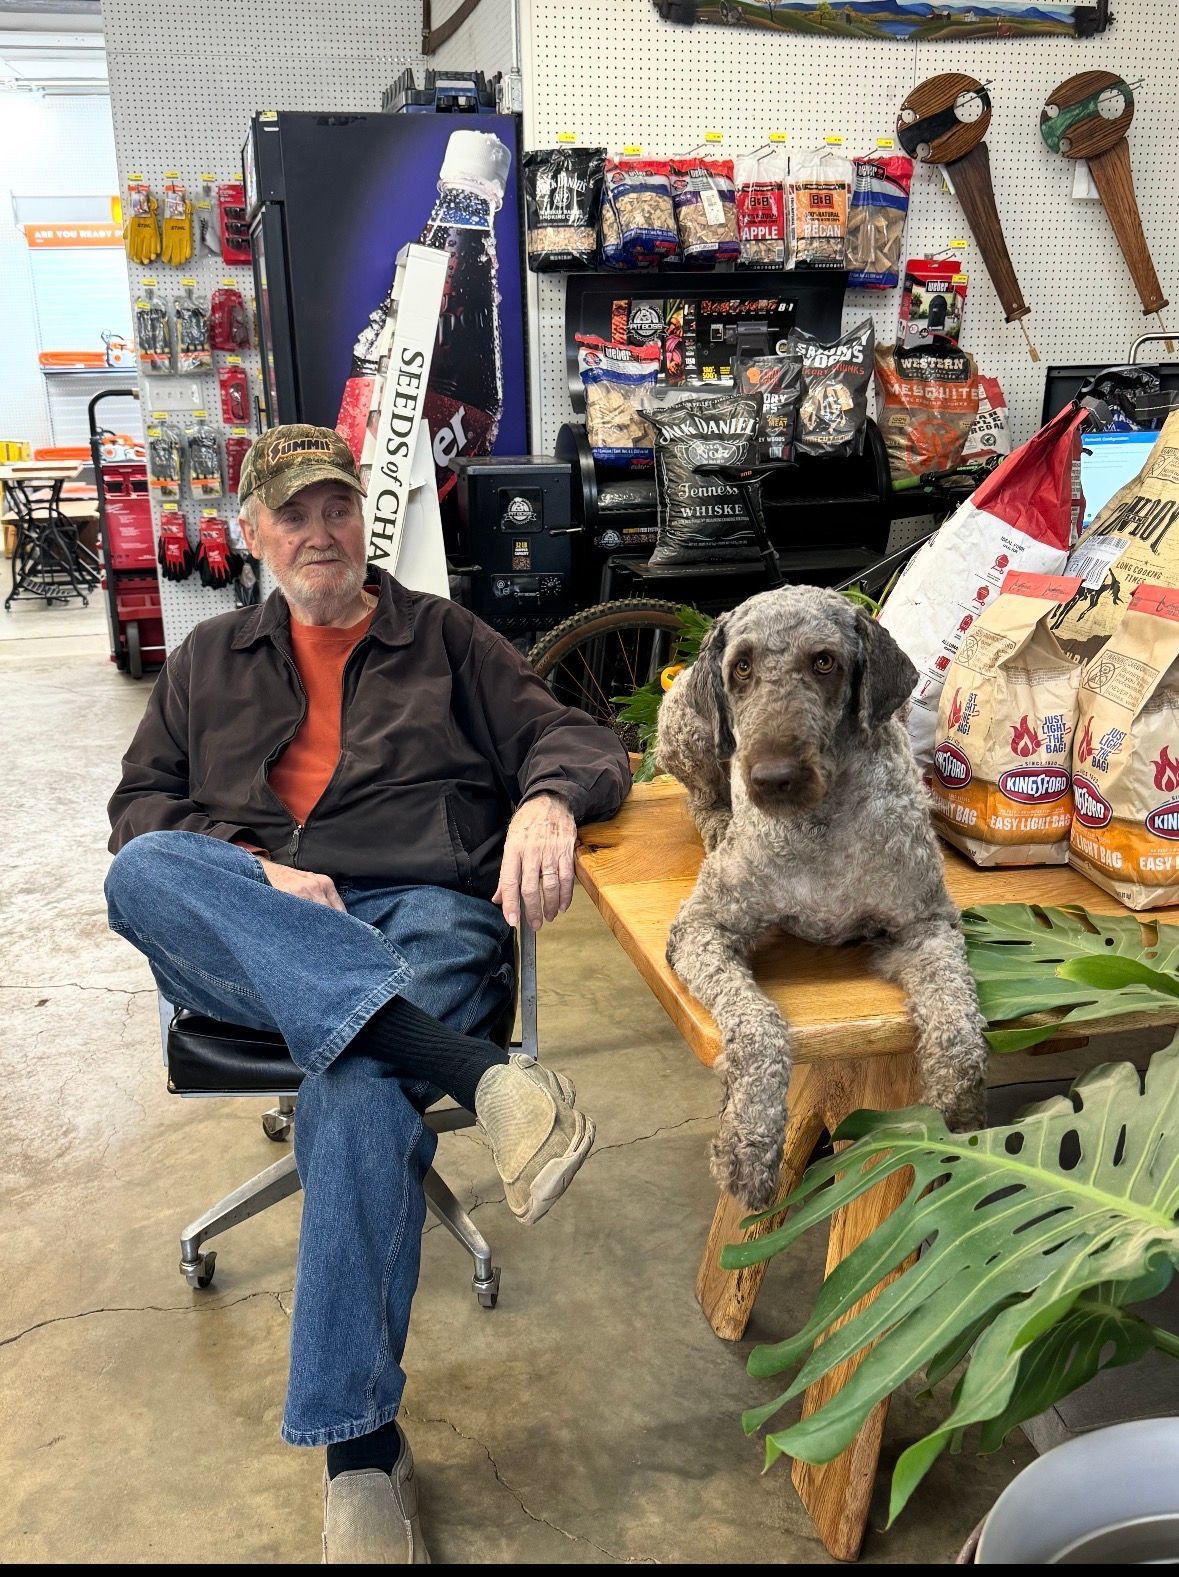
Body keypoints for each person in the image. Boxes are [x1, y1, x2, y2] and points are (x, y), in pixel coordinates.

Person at [104, 424, 631, 1563]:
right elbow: (140, 807)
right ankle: (475, 1073)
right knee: (142, 873)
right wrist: (256, 875)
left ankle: (360, 1461)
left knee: (351, 1094)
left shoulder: (445, 637)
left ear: (364, 520)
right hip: (261, 926)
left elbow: (576, 736)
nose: (319, 531)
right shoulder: (203, 663)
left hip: (419, 913)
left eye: (336, 506)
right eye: (292, 513)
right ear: (253, 534)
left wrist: (547, 801)